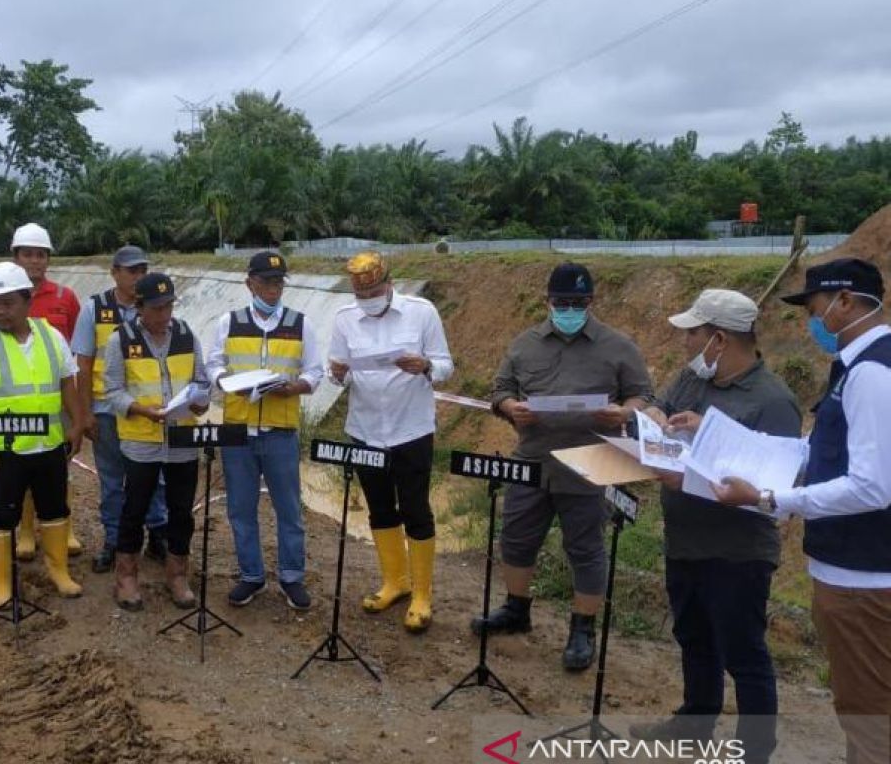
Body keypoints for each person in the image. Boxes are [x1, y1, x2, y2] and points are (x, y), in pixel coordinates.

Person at [715, 258, 891, 764]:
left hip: (863, 581)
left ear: (846, 302)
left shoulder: (873, 373)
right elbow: (832, 446)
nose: (811, 321)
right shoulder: (859, 364)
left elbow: (871, 486)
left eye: (814, 308)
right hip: (857, 573)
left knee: (868, 711)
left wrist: (770, 499)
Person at [627, 289, 800, 764]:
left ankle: (754, 751)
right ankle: (695, 722)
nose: (685, 344)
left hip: (738, 553)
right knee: (694, 637)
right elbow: (658, 408)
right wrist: (655, 418)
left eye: (693, 335)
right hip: (686, 541)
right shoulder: (691, 379)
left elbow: (773, 485)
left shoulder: (773, 401)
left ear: (719, 339)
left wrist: (705, 439)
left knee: (744, 654)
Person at [475, 262, 653, 670]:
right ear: (548, 301)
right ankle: (516, 609)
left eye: (578, 302)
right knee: (516, 539)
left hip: (592, 464)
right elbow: (500, 389)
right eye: (562, 302)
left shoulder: (619, 346)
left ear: (591, 302)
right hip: (533, 460)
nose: (569, 309)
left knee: (586, 549)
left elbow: (643, 395)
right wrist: (509, 409)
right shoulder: (524, 344)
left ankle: (582, 629)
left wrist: (624, 413)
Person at [328, 251, 453, 633]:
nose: (368, 300)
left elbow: (446, 366)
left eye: (375, 292)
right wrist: (337, 373)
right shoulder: (344, 319)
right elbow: (336, 375)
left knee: (415, 508)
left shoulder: (422, 312)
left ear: (390, 285)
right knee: (380, 508)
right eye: (361, 295)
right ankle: (394, 582)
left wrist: (426, 366)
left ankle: (422, 594)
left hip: (410, 429)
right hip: (365, 430)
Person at [0, 262, 84, 606]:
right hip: (4, 449)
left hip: (48, 443)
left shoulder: (51, 336)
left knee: (55, 508)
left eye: (8, 302)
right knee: (2, 513)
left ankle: (58, 571)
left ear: (27, 302)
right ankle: (1, 582)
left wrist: (77, 423)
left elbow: (66, 383)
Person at [206, 251, 323, 610]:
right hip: (238, 430)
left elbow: (315, 372)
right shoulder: (229, 322)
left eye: (278, 283)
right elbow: (212, 365)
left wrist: (295, 386)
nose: (273, 289)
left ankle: (291, 576)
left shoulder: (300, 324)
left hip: (280, 430)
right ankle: (251, 575)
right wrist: (227, 381)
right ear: (250, 284)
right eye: (266, 282)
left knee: (289, 509)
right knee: (241, 508)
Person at [103, 273, 209, 610]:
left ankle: (177, 573)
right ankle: (127, 576)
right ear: (140, 307)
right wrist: (139, 409)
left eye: (168, 307)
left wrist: (200, 401)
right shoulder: (121, 340)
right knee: (134, 509)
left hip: (181, 439)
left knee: (181, 510)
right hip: (141, 441)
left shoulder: (186, 334)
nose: (164, 315)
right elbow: (113, 391)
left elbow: (201, 380)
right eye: (156, 308)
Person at [71, 245, 169, 575]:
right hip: (106, 411)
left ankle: (158, 533)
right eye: (131, 271)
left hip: (145, 412)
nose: (138, 276)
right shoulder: (94, 309)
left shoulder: (154, 310)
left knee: (152, 478)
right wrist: (84, 414)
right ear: (114, 273)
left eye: (143, 270)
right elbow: (83, 365)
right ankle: (114, 540)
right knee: (113, 480)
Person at [0, 223, 84, 560]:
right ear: (16, 257)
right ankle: (27, 531)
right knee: (22, 466)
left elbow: (72, 350)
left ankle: (65, 526)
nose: (35, 261)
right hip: (18, 398)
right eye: (28, 254)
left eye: (41, 255)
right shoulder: (3, 298)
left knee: (60, 466)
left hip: (54, 397)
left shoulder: (65, 297)